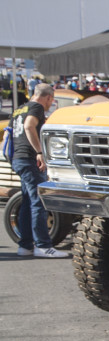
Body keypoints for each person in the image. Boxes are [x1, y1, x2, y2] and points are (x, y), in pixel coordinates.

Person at [9, 83, 68, 258]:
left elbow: (8, 134)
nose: (51, 104)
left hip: (18, 158)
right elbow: (29, 126)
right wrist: (39, 152)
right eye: (52, 100)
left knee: (28, 202)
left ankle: (25, 246)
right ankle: (43, 245)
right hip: (29, 158)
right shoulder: (36, 107)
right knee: (39, 202)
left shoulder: (19, 109)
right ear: (49, 97)